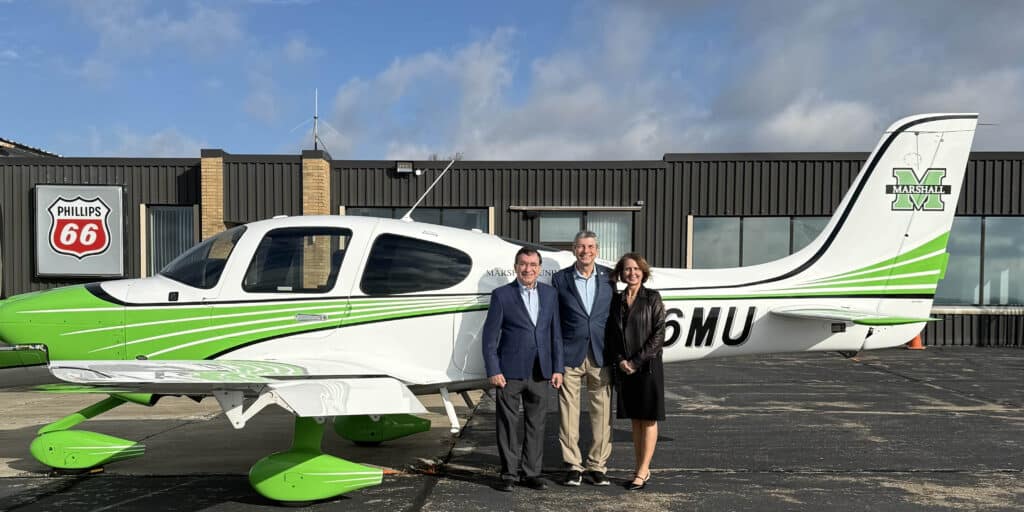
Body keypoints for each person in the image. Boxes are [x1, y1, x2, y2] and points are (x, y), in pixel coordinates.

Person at [482, 247, 564, 492]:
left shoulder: (550, 295)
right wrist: (493, 369)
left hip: (541, 371)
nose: (528, 269)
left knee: (536, 424)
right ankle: (508, 473)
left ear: (539, 268)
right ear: (516, 267)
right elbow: (489, 337)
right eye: (523, 264)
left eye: (532, 264)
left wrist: (558, 368)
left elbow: (555, 334)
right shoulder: (501, 295)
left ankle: (531, 473)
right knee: (507, 423)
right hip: (509, 372)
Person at [552, 231, 614, 487]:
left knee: (602, 414)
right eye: (580, 247)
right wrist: (556, 361)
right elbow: (554, 322)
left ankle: (597, 466)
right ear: (573, 249)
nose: (585, 251)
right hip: (570, 355)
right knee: (568, 414)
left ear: (597, 250)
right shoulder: (560, 279)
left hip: (601, 354)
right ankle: (573, 465)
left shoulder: (610, 278)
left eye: (590, 247)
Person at [604, 252, 665, 491]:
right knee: (635, 421)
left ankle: (642, 471)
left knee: (648, 420)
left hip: (647, 368)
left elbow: (658, 334)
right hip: (625, 368)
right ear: (621, 273)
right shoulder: (616, 300)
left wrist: (636, 361)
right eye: (627, 269)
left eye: (636, 269)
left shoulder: (652, 298)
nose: (632, 273)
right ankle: (641, 466)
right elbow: (612, 336)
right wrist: (620, 360)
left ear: (643, 272)